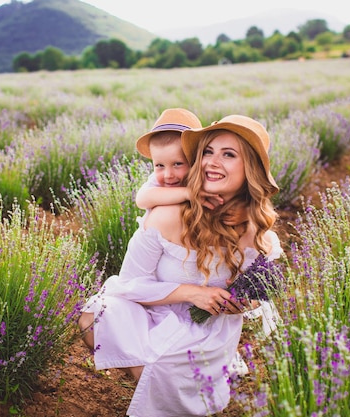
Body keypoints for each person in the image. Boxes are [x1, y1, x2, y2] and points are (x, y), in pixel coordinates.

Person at [78, 114, 283, 416]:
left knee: (167, 364)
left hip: (210, 331)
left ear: (249, 169)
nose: (213, 162)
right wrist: (190, 292)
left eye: (228, 154)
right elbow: (128, 285)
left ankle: (174, 390)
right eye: (208, 152)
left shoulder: (257, 232)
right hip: (160, 312)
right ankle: (155, 389)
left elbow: (258, 295)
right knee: (99, 313)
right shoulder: (166, 215)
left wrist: (242, 302)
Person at [134, 108, 221, 212]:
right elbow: (141, 200)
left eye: (177, 164)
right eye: (159, 165)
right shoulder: (155, 183)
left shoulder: (208, 177)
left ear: (195, 160)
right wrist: (187, 193)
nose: (168, 175)